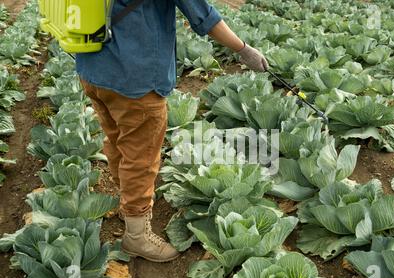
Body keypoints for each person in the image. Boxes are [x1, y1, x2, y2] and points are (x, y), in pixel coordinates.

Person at [77, 0, 268, 263]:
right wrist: (244, 49)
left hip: (93, 69)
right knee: (140, 157)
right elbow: (204, 17)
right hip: (135, 78)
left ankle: (129, 204)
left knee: (117, 140)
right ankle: (136, 235)